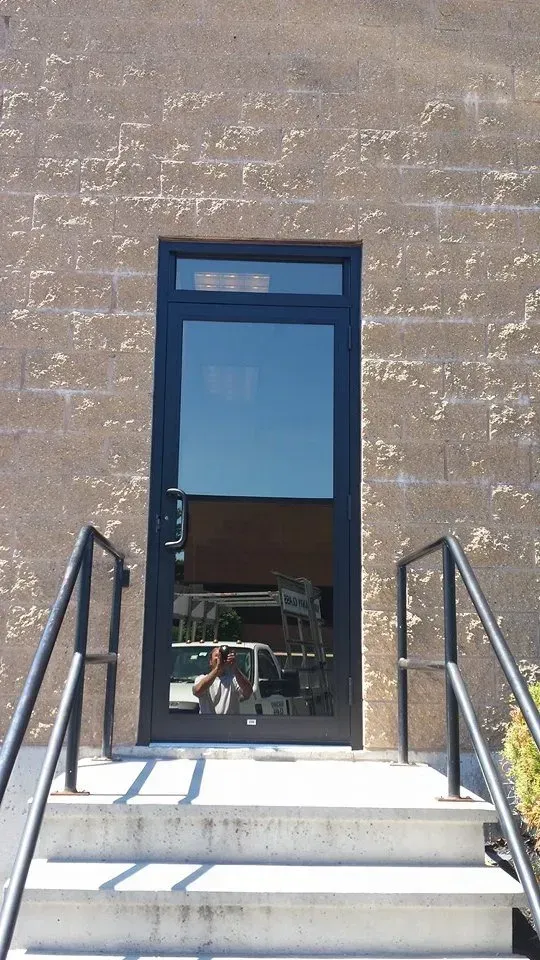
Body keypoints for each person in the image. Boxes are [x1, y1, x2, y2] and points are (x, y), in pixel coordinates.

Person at [192, 646, 253, 715]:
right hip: (207, 722)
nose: (220, 659)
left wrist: (235, 668)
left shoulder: (234, 679)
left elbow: (248, 692)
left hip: (229, 723)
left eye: (222, 656)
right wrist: (217, 669)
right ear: (210, 662)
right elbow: (197, 691)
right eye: (217, 656)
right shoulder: (201, 678)